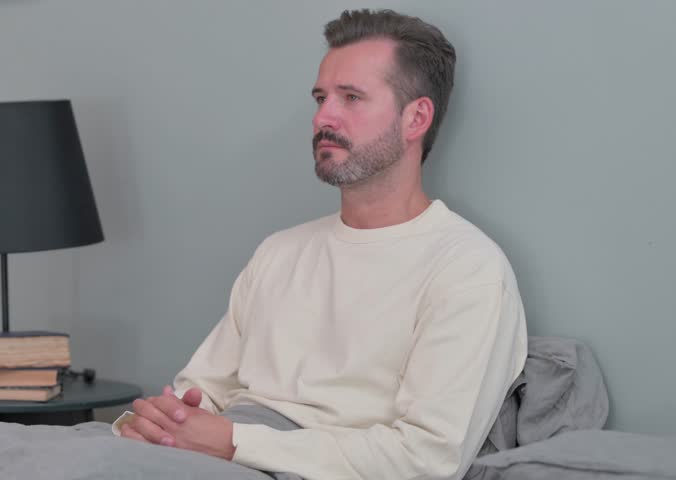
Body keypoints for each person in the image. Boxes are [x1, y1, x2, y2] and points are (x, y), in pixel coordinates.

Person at [119, 8, 528, 480]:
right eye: (320, 98)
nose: (322, 117)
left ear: (416, 118)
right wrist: (158, 425)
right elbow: (199, 392)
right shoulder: (281, 251)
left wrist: (232, 443)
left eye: (351, 97)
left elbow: (426, 458)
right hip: (200, 454)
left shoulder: (467, 269)